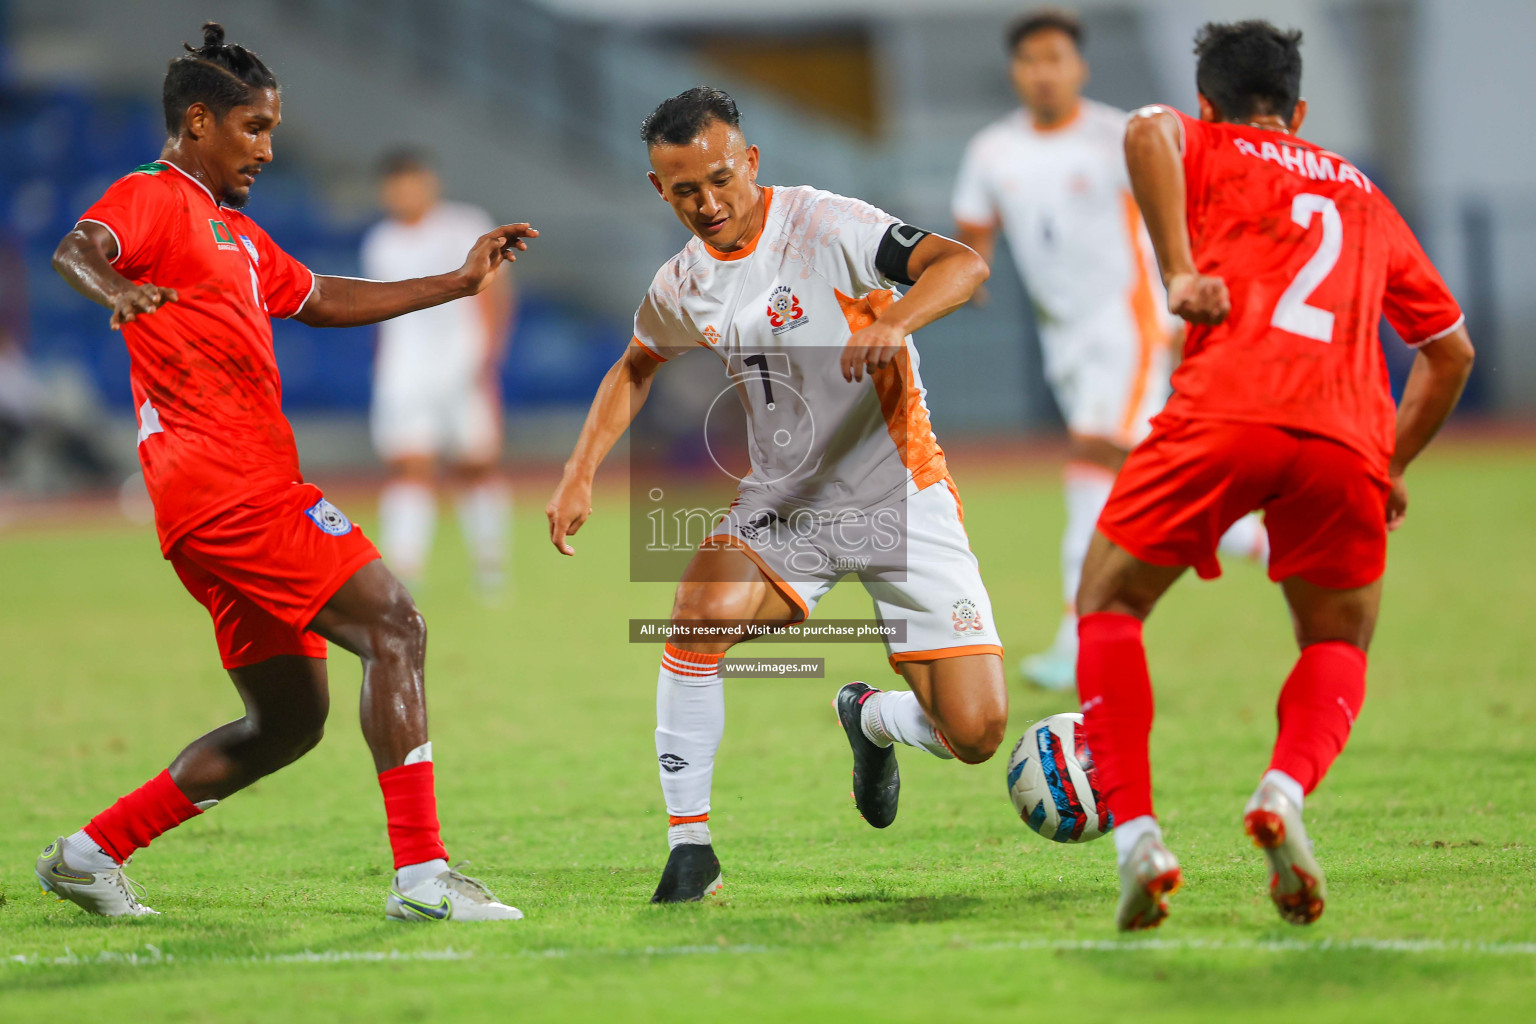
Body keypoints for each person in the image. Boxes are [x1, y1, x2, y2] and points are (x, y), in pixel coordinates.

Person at [36, 23, 536, 922]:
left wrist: (455, 285)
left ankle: (87, 853)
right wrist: (118, 294)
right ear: (199, 121)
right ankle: (424, 879)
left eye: (271, 129)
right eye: (253, 127)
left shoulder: (235, 231)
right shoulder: (153, 195)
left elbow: (321, 297)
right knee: (396, 624)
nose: (267, 148)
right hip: (230, 489)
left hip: (213, 502)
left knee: (290, 722)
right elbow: (79, 250)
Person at [545, 87, 1006, 902]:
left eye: (722, 178)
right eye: (685, 190)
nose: (708, 203)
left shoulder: (826, 225)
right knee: (695, 613)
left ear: (751, 161)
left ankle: (870, 718)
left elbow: (962, 264)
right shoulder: (684, 281)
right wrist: (581, 469)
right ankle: (691, 850)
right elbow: (635, 365)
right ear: (660, 189)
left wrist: (895, 319)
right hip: (784, 506)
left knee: (974, 734)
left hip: (900, 491)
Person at [1076, 20, 1474, 931]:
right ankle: (1285, 795)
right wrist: (1393, 460)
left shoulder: (1203, 140)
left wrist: (1180, 270)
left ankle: (1138, 834)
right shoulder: (1365, 196)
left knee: (1108, 602)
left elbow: (1142, 126)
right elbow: (1450, 353)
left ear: (1208, 101)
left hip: (1226, 410)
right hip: (1345, 435)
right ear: (1298, 110)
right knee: (1338, 640)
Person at [952, 8, 1267, 691]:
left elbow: (1180, 217)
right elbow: (974, 245)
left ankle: (1075, 642)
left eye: (1056, 59)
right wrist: (951, 286)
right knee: (1140, 473)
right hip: (1063, 341)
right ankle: (1257, 537)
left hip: (1129, 324)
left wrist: (1187, 298)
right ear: (1015, 70)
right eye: (1031, 60)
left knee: (1090, 470)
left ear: (1079, 66)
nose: (1044, 72)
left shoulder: (1118, 136)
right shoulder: (990, 151)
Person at [362, 149, 515, 595]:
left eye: (413, 181)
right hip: (404, 370)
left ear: (430, 182)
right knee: (409, 465)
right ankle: (405, 573)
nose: (406, 192)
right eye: (397, 184)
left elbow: (496, 291)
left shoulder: (465, 226)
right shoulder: (380, 241)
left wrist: (490, 353)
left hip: (462, 363)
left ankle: (491, 568)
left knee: (476, 464)